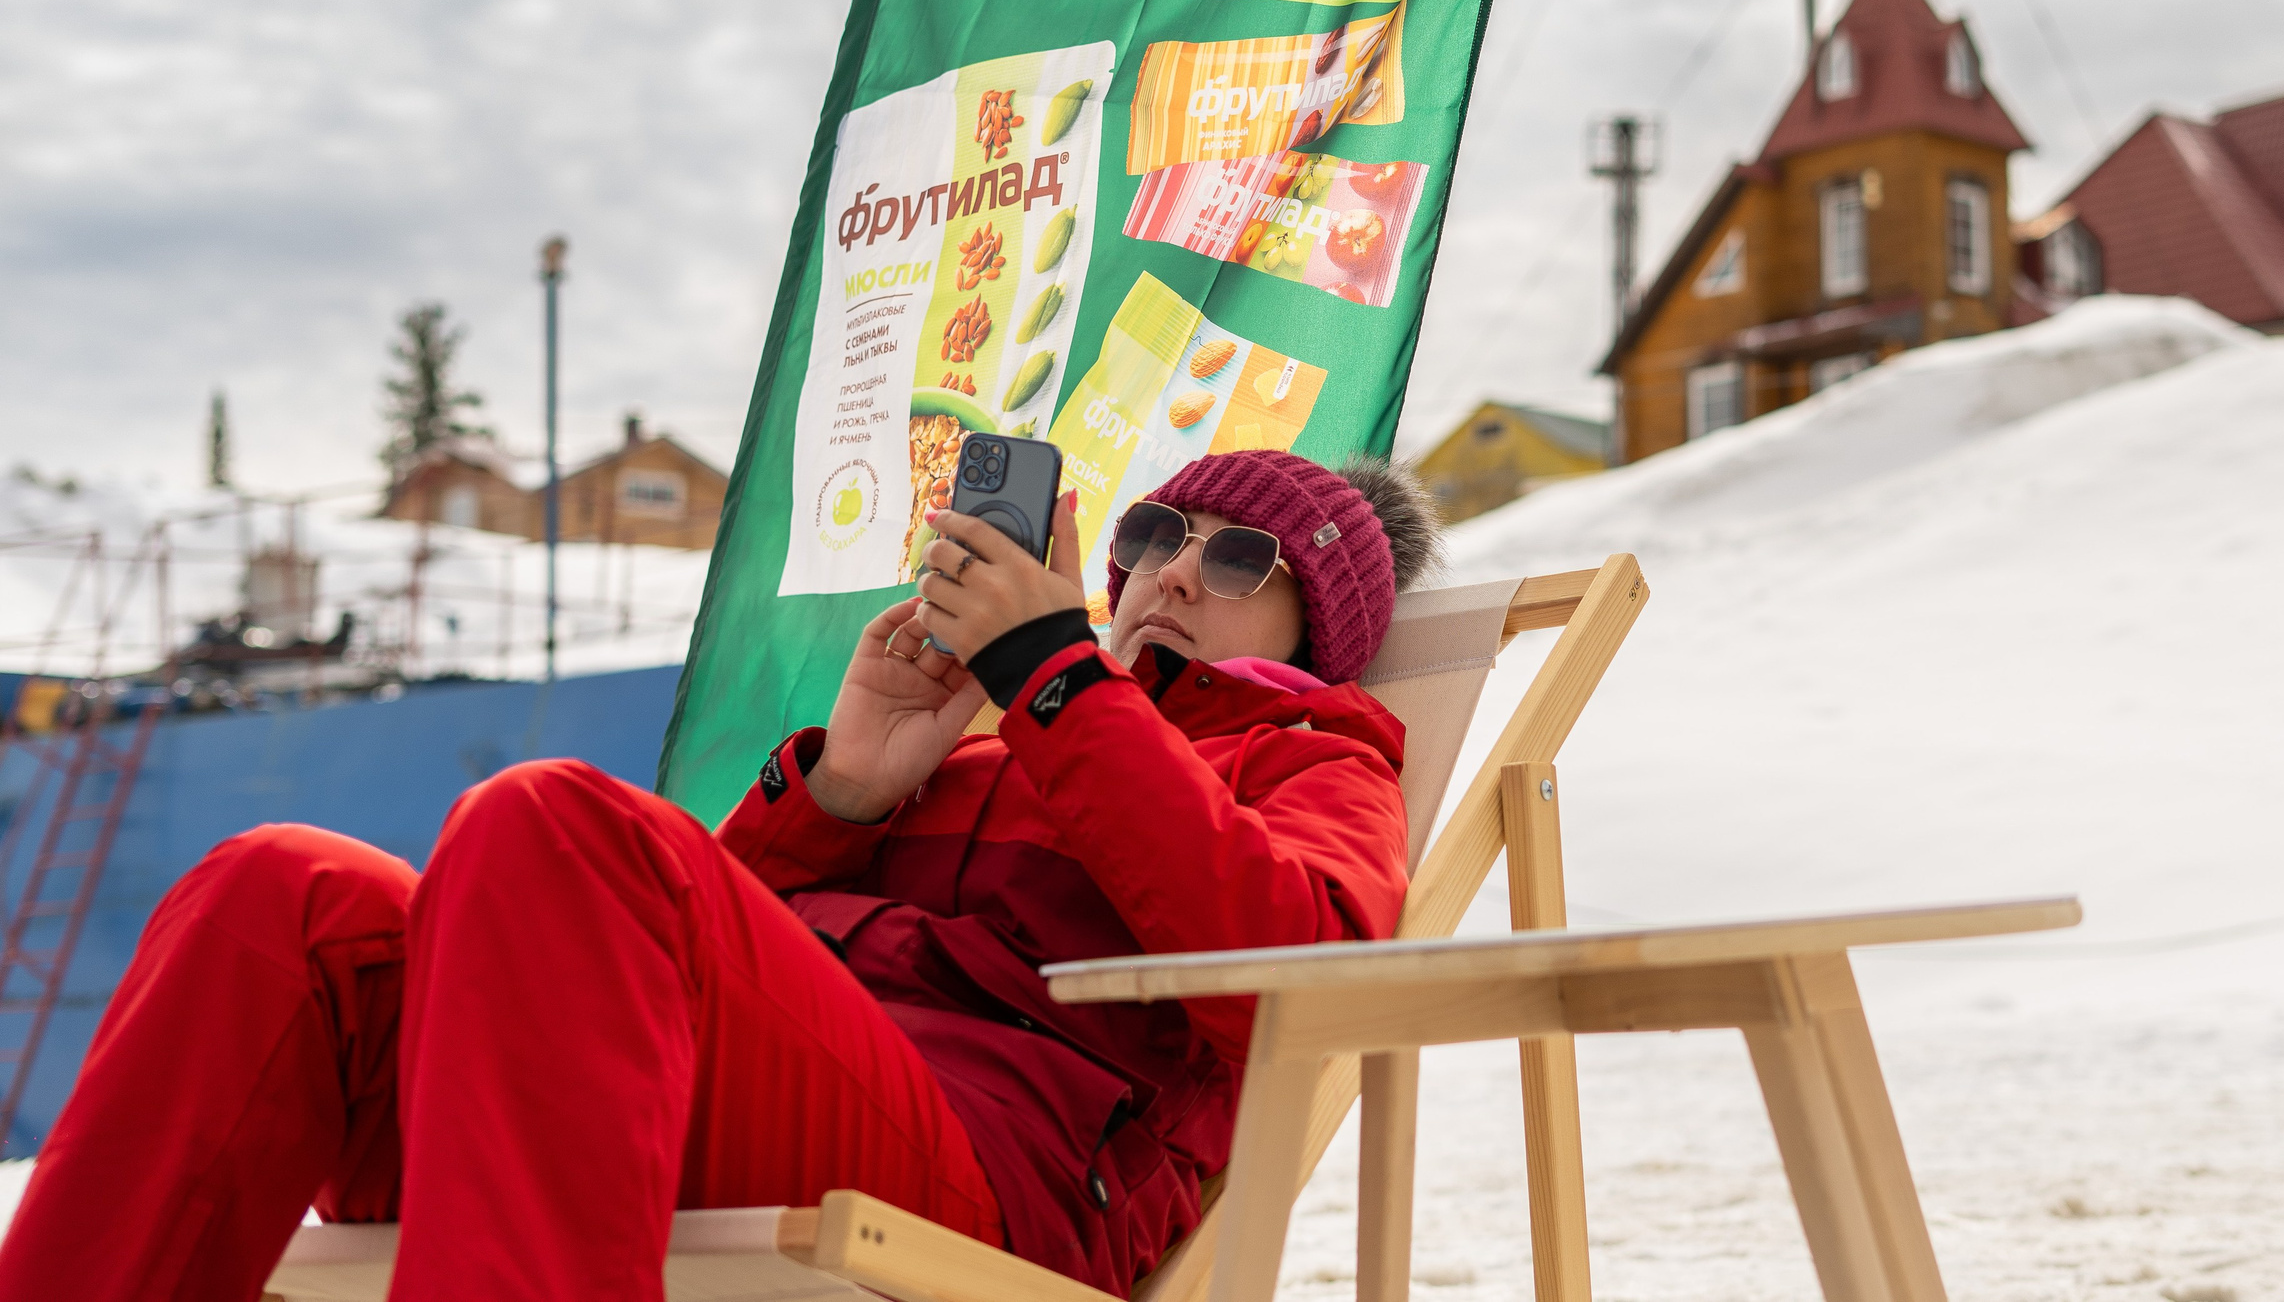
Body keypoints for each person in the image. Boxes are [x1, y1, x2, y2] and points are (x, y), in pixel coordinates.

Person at [0, 448, 1446, 1301]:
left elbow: (1298, 984)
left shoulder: (1309, 754)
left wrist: (1055, 676)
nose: (1173, 574)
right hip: (710, 1121)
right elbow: (658, 943)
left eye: (1239, 558)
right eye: (1151, 535)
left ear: (1311, 628)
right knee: (280, 890)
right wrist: (846, 787)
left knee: (553, 816)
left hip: (998, 1180)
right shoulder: (995, 737)